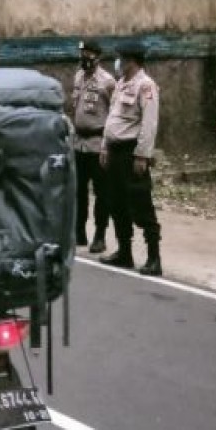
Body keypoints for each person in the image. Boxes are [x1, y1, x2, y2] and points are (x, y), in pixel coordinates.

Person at [99, 40, 163, 276]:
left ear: (131, 61)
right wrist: (105, 147)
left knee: (141, 204)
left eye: (121, 58)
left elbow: (149, 124)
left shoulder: (146, 86)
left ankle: (154, 258)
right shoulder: (120, 84)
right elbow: (112, 118)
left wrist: (142, 156)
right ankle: (124, 252)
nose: (118, 62)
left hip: (131, 153)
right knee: (116, 203)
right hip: (115, 151)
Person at [71, 39, 116, 252]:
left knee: (102, 193)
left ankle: (100, 235)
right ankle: (79, 231)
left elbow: (114, 113)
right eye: (82, 53)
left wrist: (109, 143)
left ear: (97, 57)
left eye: (88, 53)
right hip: (79, 143)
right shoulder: (78, 76)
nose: (84, 57)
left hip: (98, 144)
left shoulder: (107, 82)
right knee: (78, 191)